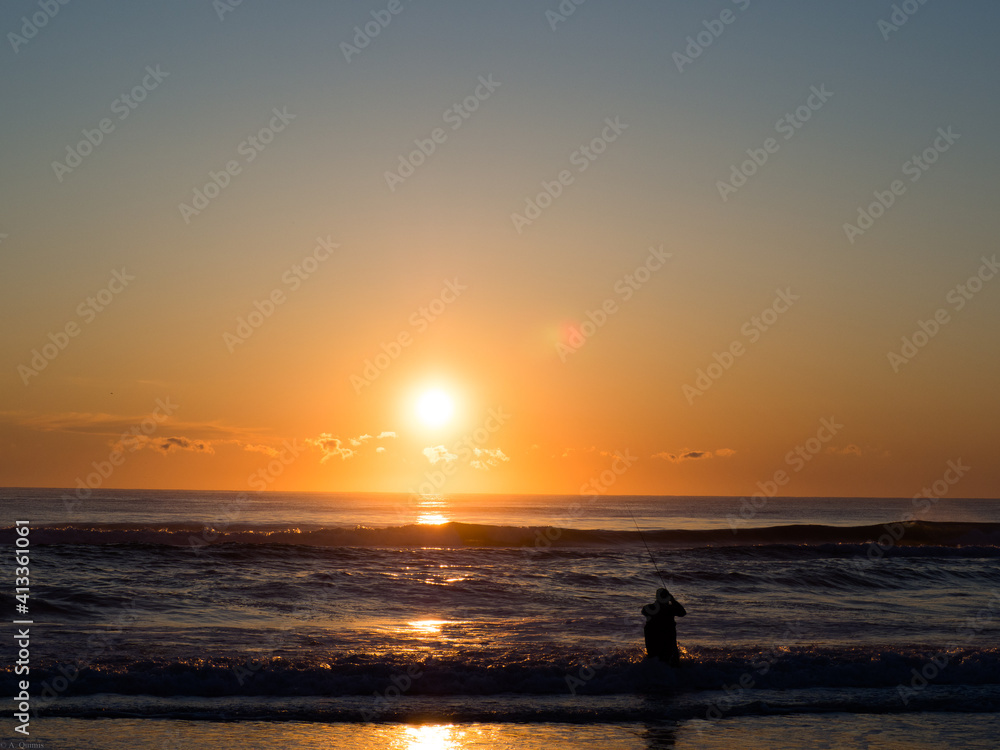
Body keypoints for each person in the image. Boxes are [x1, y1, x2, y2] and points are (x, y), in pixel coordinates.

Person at [641, 587, 686, 666]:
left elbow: (643, 611)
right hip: (667, 640)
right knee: (672, 663)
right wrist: (673, 600)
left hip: (653, 641)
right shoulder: (670, 609)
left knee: (654, 661)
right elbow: (682, 612)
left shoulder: (650, 608)